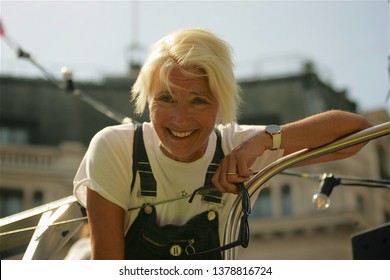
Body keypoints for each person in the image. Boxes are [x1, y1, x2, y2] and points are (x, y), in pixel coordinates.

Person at [73, 28, 372, 260]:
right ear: (147, 99)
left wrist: (265, 140)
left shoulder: (237, 145)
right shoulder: (115, 148)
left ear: (220, 104)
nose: (180, 119)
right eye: (166, 98)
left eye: (198, 100)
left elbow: (358, 132)